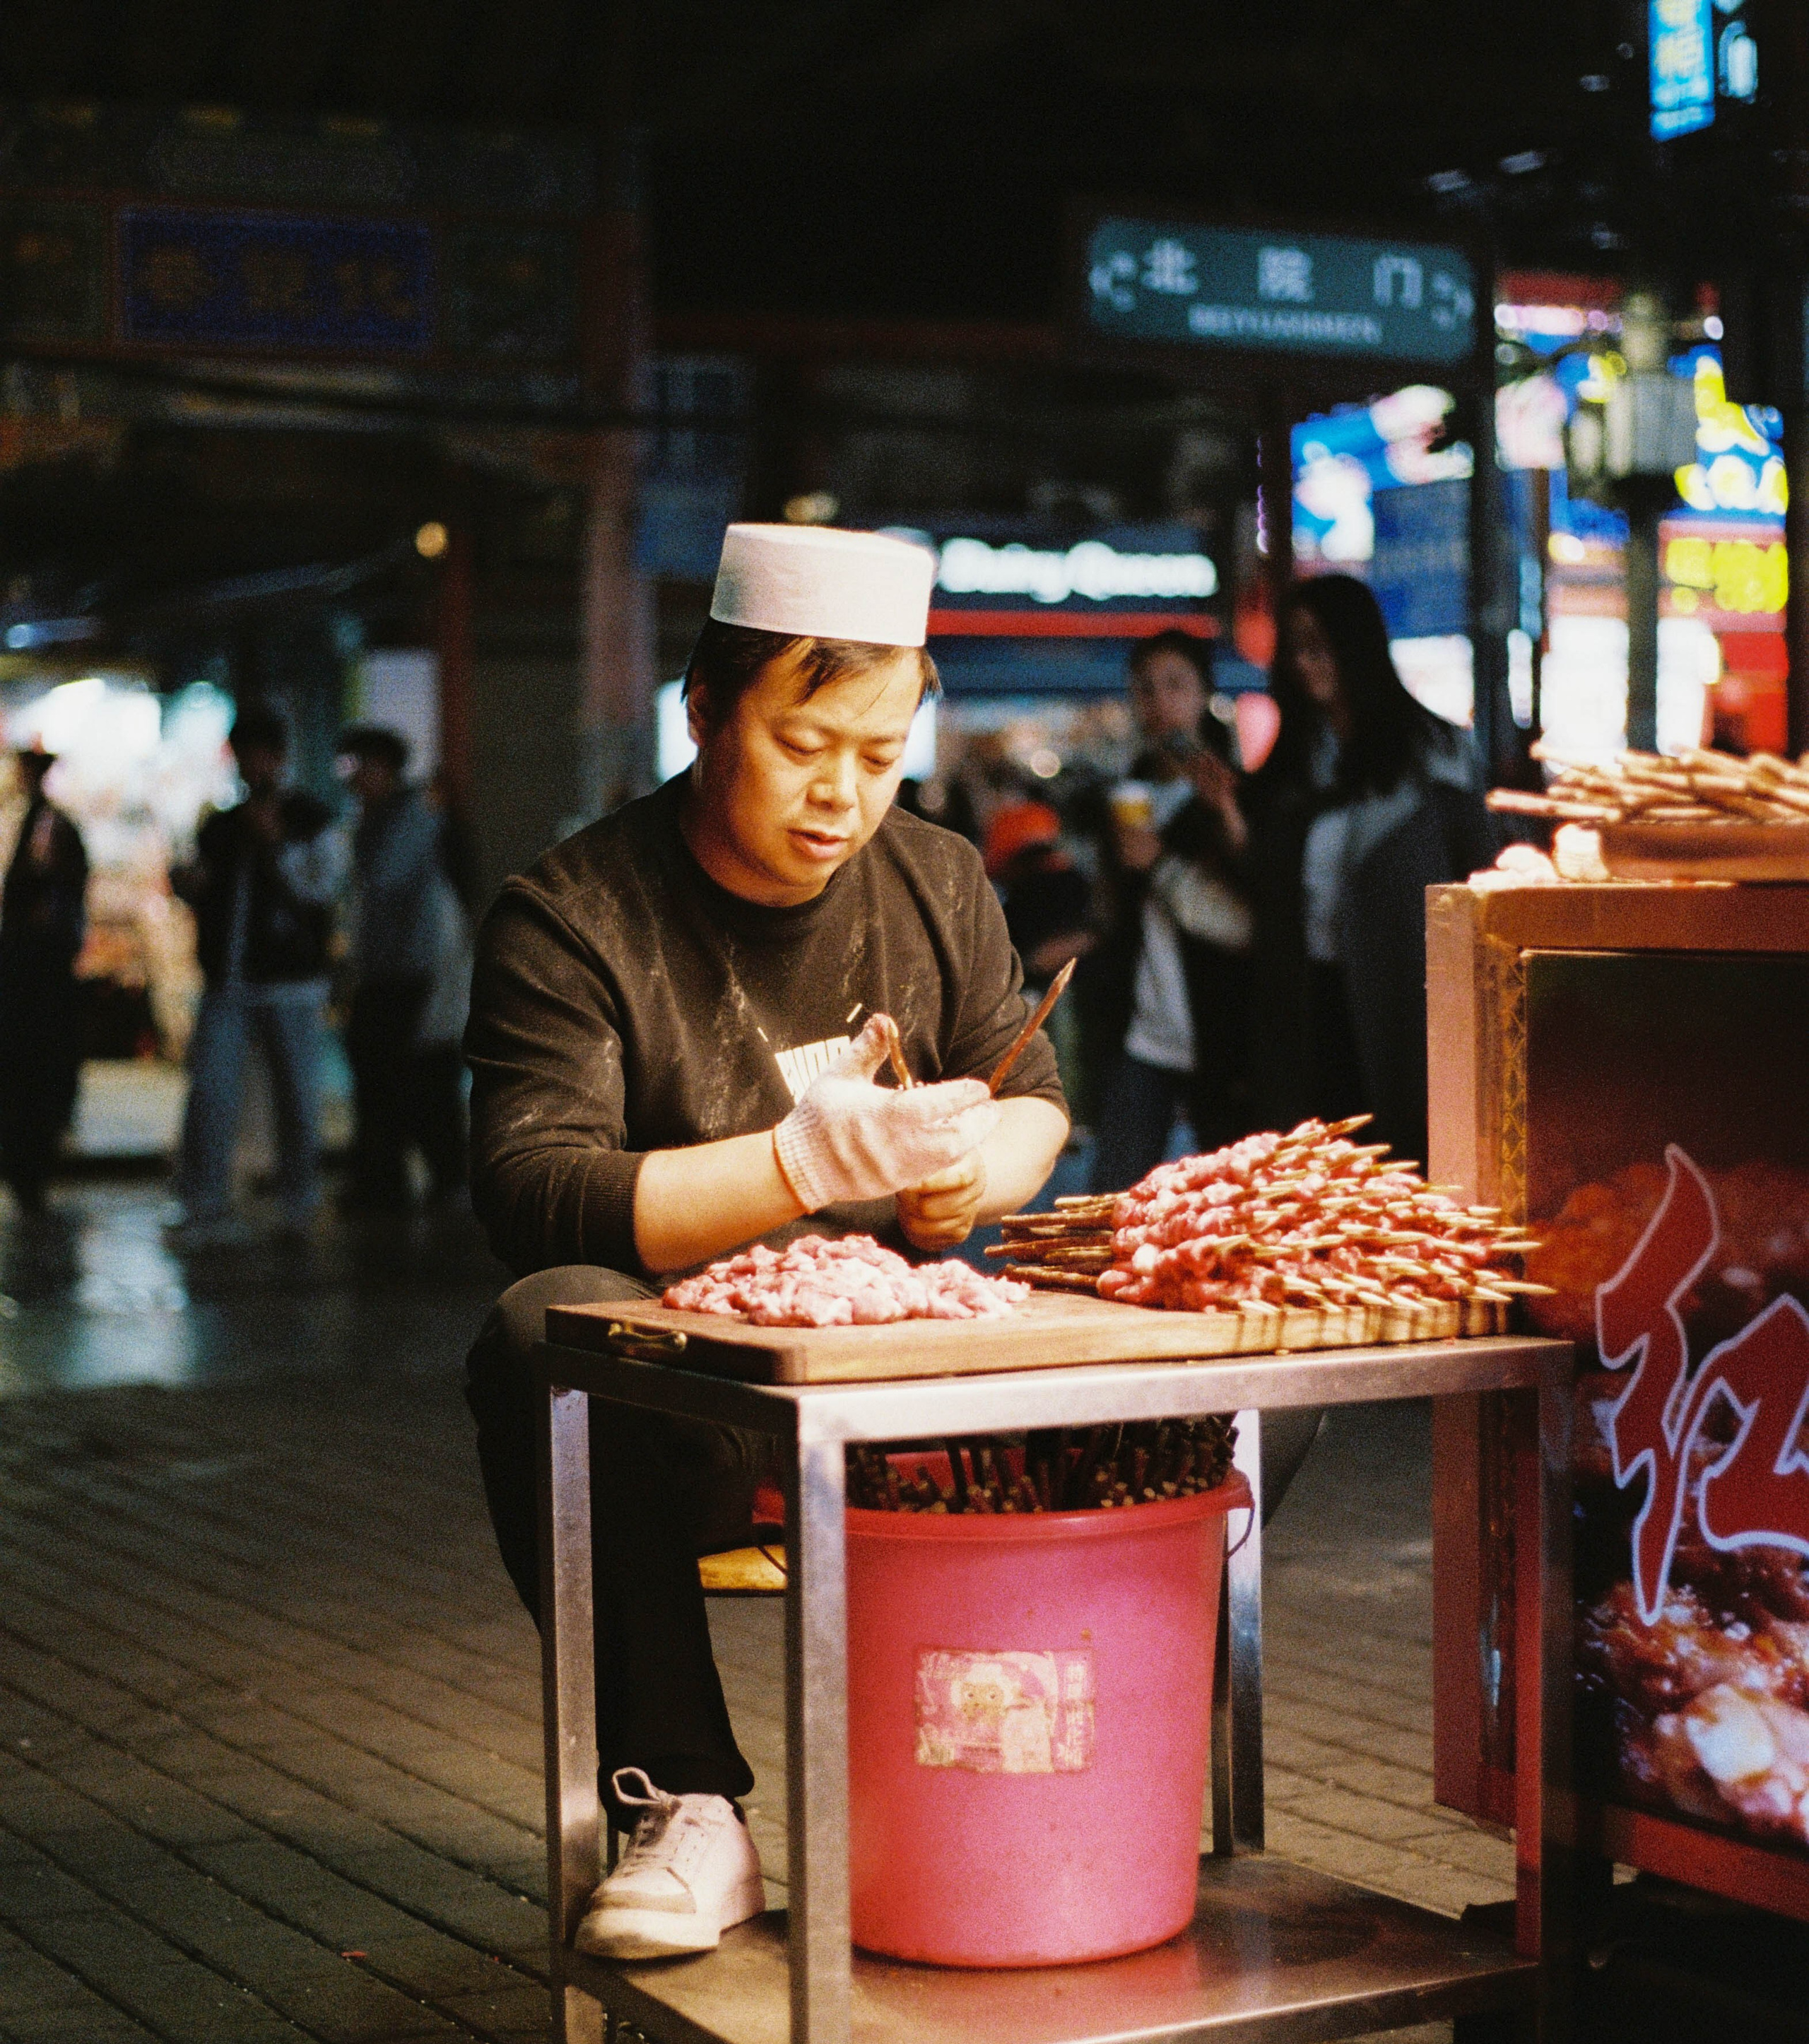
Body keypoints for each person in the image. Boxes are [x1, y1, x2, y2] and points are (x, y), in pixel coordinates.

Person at [464, 522, 1068, 1961]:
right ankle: (683, 1803)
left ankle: (1027, 1773)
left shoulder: (935, 879)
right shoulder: (573, 916)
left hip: (914, 1379)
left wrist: (963, 1178)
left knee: (1233, 1406)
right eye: (804, 744)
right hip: (705, 1417)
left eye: (877, 754)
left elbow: (1035, 1097)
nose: (840, 795)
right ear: (702, 711)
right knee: (543, 1326)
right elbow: (534, 1188)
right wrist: (797, 1163)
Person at [1251, 574, 1496, 1163]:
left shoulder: (1434, 752)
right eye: (1295, 649)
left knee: (1402, 1162)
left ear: (1356, 646)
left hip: (1407, 999)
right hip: (1312, 997)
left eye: (1321, 645)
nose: (1307, 664)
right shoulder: (1293, 763)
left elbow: (1480, 874)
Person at [1080, 630, 1251, 1192]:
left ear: (1205, 694)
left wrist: (1162, 861)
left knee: (1232, 1202)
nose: (1160, 704)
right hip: (1143, 1033)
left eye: (1176, 686)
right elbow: (1112, 921)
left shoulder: (1232, 794)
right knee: (1112, 1200)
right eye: (1146, 690)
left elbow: (1247, 918)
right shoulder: (1125, 794)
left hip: (1222, 1033)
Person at [168, 707, 346, 1243]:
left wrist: (277, 847)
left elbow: (323, 889)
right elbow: (204, 884)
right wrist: (190, 884)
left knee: (296, 1094)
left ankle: (298, 1201)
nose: (252, 766)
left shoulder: (311, 818)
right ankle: (204, 1199)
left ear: (279, 757)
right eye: (244, 755)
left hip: (291, 980)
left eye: (260, 754)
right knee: (212, 1093)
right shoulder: (222, 823)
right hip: (229, 976)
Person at [341, 726, 471, 1211]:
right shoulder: (389, 817)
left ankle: (419, 1181)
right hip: (392, 971)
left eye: (361, 767)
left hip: (411, 971)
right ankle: (395, 1181)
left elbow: (385, 881)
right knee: (398, 1078)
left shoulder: (410, 817)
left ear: (386, 768)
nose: (353, 779)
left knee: (412, 1077)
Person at [0, 744, 89, 1215]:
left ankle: (30, 1170)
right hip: (33, 969)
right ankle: (29, 1170)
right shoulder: (34, 822)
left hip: (36, 969)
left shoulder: (46, 825)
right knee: (32, 1073)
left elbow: (58, 893)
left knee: (32, 1072)